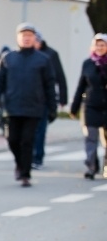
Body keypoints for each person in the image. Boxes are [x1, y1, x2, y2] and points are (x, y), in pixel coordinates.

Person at [0, 23, 56, 187]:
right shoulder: (8, 58)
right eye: (23, 35)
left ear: (34, 38)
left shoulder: (43, 60)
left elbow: (49, 85)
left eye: (29, 36)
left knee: (27, 141)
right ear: (18, 38)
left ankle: (25, 174)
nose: (26, 38)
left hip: (34, 108)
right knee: (12, 140)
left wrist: (52, 107)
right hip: (13, 107)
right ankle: (20, 163)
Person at [69, 33, 107, 179]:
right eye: (97, 45)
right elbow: (81, 86)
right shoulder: (88, 63)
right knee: (91, 138)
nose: (99, 48)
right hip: (91, 105)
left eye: (102, 45)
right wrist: (74, 107)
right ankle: (91, 166)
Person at [32, 31, 68, 169]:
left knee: (40, 130)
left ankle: (38, 157)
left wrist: (63, 98)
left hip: (44, 99)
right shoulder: (24, 55)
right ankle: (28, 157)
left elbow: (60, 76)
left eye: (36, 40)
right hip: (28, 99)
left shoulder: (50, 55)